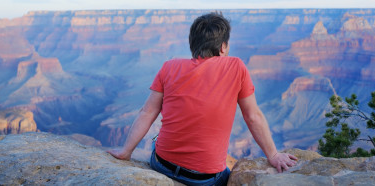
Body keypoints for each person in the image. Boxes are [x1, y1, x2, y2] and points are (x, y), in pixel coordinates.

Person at [107, 12, 298, 186]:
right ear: (223, 47)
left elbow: (147, 112)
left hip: (162, 165)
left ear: (193, 44)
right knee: (225, 174)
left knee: (160, 140)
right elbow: (253, 116)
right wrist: (272, 154)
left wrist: (126, 152)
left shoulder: (169, 67)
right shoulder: (236, 67)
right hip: (204, 178)